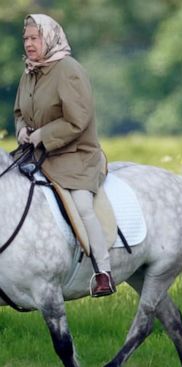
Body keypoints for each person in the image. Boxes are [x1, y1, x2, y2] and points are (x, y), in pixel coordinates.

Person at [14, 14, 116, 297]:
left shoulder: (69, 70)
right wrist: (22, 131)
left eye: (35, 38)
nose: (29, 44)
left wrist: (41, 135)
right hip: (37, 155)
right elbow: (20, 113)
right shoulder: (30, 71)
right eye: (26, 39)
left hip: (75, 156)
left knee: (83, 206)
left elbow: (77, 120)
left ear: (50, 37)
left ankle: (103, 271)